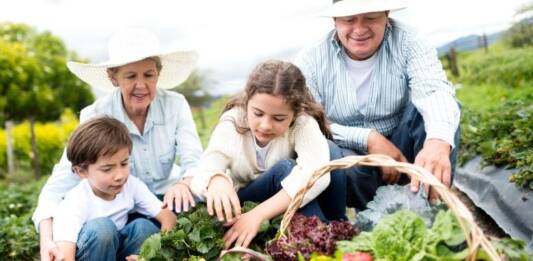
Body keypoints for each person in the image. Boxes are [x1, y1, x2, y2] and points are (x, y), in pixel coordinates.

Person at [33, 28, 203, 261]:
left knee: (146, 228)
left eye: (149, 75)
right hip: (109, 215)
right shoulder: (96, 115)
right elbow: (58, 186)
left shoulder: (175, 105)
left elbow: (194, 161)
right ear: (113, 78)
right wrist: (47, 241)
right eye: (131, 76)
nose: (141, 85)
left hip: (159, 205)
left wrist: (185, 182)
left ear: (158, 74)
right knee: (103, 231)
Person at [294, 0, 461, 210]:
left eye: (371, 18)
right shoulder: (311, 60)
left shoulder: (409, 41)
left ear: (386, 15)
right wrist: (369, 139)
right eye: (349, 20)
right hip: (351, 153)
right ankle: (375, 219)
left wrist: (437, 142)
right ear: (335, 21)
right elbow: (308, 124)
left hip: (402, 144)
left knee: (442, 115)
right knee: (337, 157)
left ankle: (431, 206)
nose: (360, 29)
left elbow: (434, 91)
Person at [188, 60, 347, 249]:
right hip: (246, 202)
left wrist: (259, 215)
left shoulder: (303, 123)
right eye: (258, 113)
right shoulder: (233, 121)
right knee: (286, 169)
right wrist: (215, 180)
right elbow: (206, 167)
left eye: (278, 118)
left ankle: (336, 230)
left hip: (281, 201)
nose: (265, 125)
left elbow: (316, 177)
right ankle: (322, 244)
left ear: (295, 114)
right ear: (247, 103)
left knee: (330, 154)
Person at [52, 117, 176, 261]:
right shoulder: (75, 202)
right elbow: (65, 256)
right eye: (107, 169)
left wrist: (149, 254)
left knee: (144, 227)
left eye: (124, 164)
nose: (120, 176)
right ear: (81, 171)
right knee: (103, 228)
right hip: (91, 253)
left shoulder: (131, 185)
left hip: (117, 250)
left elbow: (169, 217)